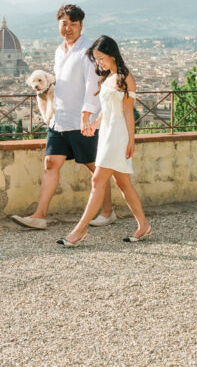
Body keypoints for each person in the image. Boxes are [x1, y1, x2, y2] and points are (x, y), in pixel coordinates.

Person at [10, 5, 115, 230]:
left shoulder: (88, 51)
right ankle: (39, 215)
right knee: (51, 163)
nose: (68, 29)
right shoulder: (60, 50)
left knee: (95, 167)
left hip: (81, 120)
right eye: (64, 24)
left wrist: (87, 116)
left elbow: (92, 86)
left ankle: (108, 212)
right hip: (59, 119)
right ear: (59, 24)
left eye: (73, 24)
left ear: (81, 26)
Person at [57, 35, 151, 246]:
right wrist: (93, 124)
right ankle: (143, 225)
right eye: (96, 59)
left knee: (97, 180)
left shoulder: (124, 77)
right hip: (107, 134)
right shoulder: (107, 77)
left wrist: (131, 140)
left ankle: (78, 231)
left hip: (118, 136)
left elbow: (128, 112)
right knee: (124, 184)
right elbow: (107, 111)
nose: (98, 62)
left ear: (112, 53)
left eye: (101, 58)